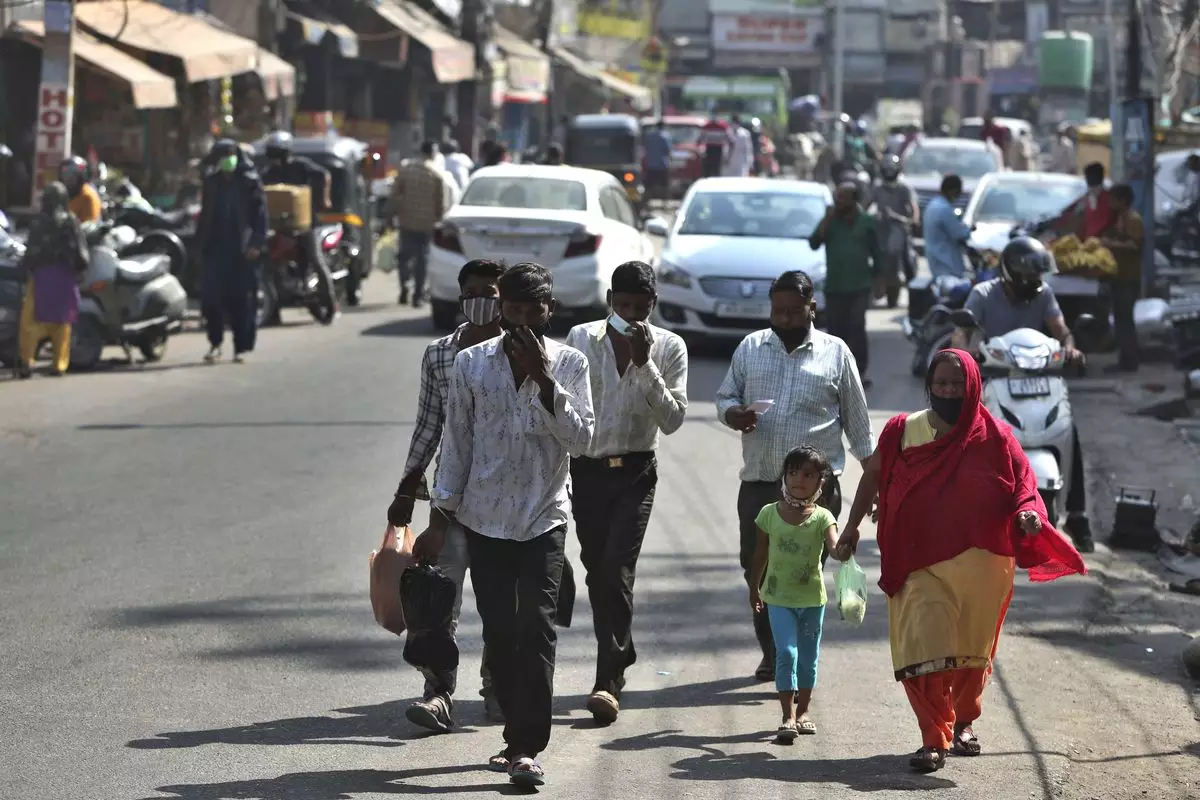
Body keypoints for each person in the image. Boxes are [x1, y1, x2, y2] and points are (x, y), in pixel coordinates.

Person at [836, 350, 1085, 773]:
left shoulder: (997, 436)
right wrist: (850, 528)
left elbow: (1024, 487)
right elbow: (873, 477)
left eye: (958, 383)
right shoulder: (903, 431)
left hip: (983, 564)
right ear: (929, 385)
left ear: (974, 386)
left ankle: (964, 720)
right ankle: (933, 737)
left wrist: (1029, 515)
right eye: (942, 383)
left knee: (971, 651)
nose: (949, 390)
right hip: (918, 562)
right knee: (924, 643)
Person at [424, 262, 595, 787]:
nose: (522, 321)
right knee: (500, 632)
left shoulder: (569, 363)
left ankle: (525, 747)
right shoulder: (472, 365)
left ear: (549, 310)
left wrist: (544, 382)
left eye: (533, 310)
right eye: (513, 311)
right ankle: (513, 733)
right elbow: (457, 443)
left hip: (544, 517)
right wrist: (440, 512)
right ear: (502, 311)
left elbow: (582, 439)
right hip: (484, 518)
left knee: (537, 627)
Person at [715, 270, 873, 681]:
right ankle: (772, 652)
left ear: (811, 308)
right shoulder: (751, 347)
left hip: (817, 495)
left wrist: (875, 482)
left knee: (801, 575)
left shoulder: (836, 353)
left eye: (792, 310)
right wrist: (734, 413)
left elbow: (858, 426)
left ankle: (798, 651)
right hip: (760, 485)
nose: (783, 318)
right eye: (776, 311)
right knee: (759, 570)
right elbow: (725, 396)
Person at [387, 259, 510, 731]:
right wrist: (407, 489)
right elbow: (428, 425)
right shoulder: (440, 354)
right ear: (460, 299)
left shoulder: (519, 352)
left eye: (490, 292)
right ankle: (438, 692)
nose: (481, 300)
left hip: (507, 501)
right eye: (472, 292)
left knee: (501, 601)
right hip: (450, 497)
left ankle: (498, 686)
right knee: (439, 601)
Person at [564, 261, 688, 725]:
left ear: (652, 306)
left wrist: (644, 363)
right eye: (623, 305)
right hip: (588, 470)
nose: (630, 315)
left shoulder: (670, 347)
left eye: (640, 307)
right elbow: (566, 403)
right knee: (598, 571)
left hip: (635, 472)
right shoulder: (581, 338)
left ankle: (607, 679)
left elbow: (673, 420)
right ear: (610, 300)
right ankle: (623, 646)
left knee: (617, 566)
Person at [951, 236, 1095, 552]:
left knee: (1067, 430)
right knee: (963, 437)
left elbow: (1061, 330)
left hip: (1039, 379)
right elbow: (961, 334)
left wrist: (1071, 348)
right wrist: (965, 354)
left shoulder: (1044, 296)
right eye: (1031, 277)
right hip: (994, 379)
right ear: (1012, 274)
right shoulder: (983, 295)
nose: (1036, 283)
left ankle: (1077, 513)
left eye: (1039, 277)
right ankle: (956, 509)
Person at [749, 445, 846, 740]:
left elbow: (834, 548)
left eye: (808, 474)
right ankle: (787, 716)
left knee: (807, 658)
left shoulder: (823, 517)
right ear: (784, 476)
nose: (798, 480)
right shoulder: (768, 514)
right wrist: (754, 589)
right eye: (793, 472)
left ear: (821, 482)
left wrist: (846, 546)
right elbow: (759, 556)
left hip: (812, 600)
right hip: (778, 598)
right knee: (786, 653)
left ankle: (803, 711)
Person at [196, 139, 267, 364]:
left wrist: (256, 243)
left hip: (242, 250)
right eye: (223, 155)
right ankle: (215, 343)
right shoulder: (211, 183)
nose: (228, 159)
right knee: (211, 300)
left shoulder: (250, 182)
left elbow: (260, 217)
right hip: (215, 249)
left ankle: (241, 347)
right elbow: (205, 215)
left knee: (242, 301)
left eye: (231, 154)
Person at [808, 183, 882, 385]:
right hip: (835, 286)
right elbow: (814, 243)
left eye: (842, 197)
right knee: (835, 331)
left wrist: (879, 280)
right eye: (837, 196)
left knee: (856, 328)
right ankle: (836, 374)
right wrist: (827, 218)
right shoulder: (831, 222)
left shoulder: (866, 222)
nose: (838, 201)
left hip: (859, 286)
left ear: (853, 200)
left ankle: (859, 373)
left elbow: (878, 254)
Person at [261, 131, 339, 319]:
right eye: (273, 153)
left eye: (278, 153)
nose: (276, 158)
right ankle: (274, 310)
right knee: (270, 264)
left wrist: (325, 198)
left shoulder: (301, 166)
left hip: (305, 225)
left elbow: (324, 175)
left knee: (316, 260)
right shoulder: (268, 173)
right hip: (278, 227)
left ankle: (331, 300)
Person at [15, 181, 89, 379]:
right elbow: (81, 252)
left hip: (41, 276)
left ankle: (27, 362)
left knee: (30, 321)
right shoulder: (70, 221)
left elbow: (30, 252)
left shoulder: (39, 222)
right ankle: (59, 365)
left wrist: (23, 270)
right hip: (64, 277)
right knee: (62, 322)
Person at [385, 140, 447, 308]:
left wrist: (390, 215)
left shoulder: (406, 170)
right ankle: (418, 295)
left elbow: (394, 195)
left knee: (404, 256)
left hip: (406, 221)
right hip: (427, 225)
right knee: (422, 259)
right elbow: (441, 204)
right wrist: (439, 221)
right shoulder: (437, 174)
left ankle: (405, 283)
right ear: (433, 154)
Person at [1100, 184, 1144, 372]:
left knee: (1125, 320)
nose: (1110, 203)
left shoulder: (1133, 219)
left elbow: (1135, 245)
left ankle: (1130, 361)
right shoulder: (1120, 218)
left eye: (1113, 199)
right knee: (1120, 319)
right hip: (1119, 276)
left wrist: (1111, 244)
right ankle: (1125, 359)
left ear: (1122, 200)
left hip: (1128, 277)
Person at [872, 153, 920, 295]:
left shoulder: (904, 187)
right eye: (886, 169)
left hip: (900, 226)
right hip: (880, 227)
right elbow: (866, 204)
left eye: (892, 169)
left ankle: (913, 290)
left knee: (907, 259)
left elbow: (913, 206)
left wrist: (915, 220)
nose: (889, 172)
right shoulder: (877, 187)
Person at [923, 174, 973, 279]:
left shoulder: (933, 205)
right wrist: (970, 230)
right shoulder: (944, 209)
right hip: (946, 264)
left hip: (936, 261)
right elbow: (960, 234)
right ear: (953, 190)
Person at [59, 156, 102, 224]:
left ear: (80, 176)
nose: (68, 178)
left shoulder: (88, 196)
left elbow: (88, 228)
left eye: (72, 174)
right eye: (65, 174)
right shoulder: (61, 195)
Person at [644, 120, 671, 207]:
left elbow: (646, 148)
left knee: (648, 185)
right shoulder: (665, 136)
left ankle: (646, 203)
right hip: (662, 164)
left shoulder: (650, 136)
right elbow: (668, 150)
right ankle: (665, 204)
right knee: (664, 185)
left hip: (651, 164)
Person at [725, 113, 754, 178]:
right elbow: (725, 147)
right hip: (730, 160)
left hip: (741, 160)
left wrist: (750, 163)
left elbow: (748, 149)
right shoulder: (728, 132)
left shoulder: (745, 134)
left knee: (740, 178)